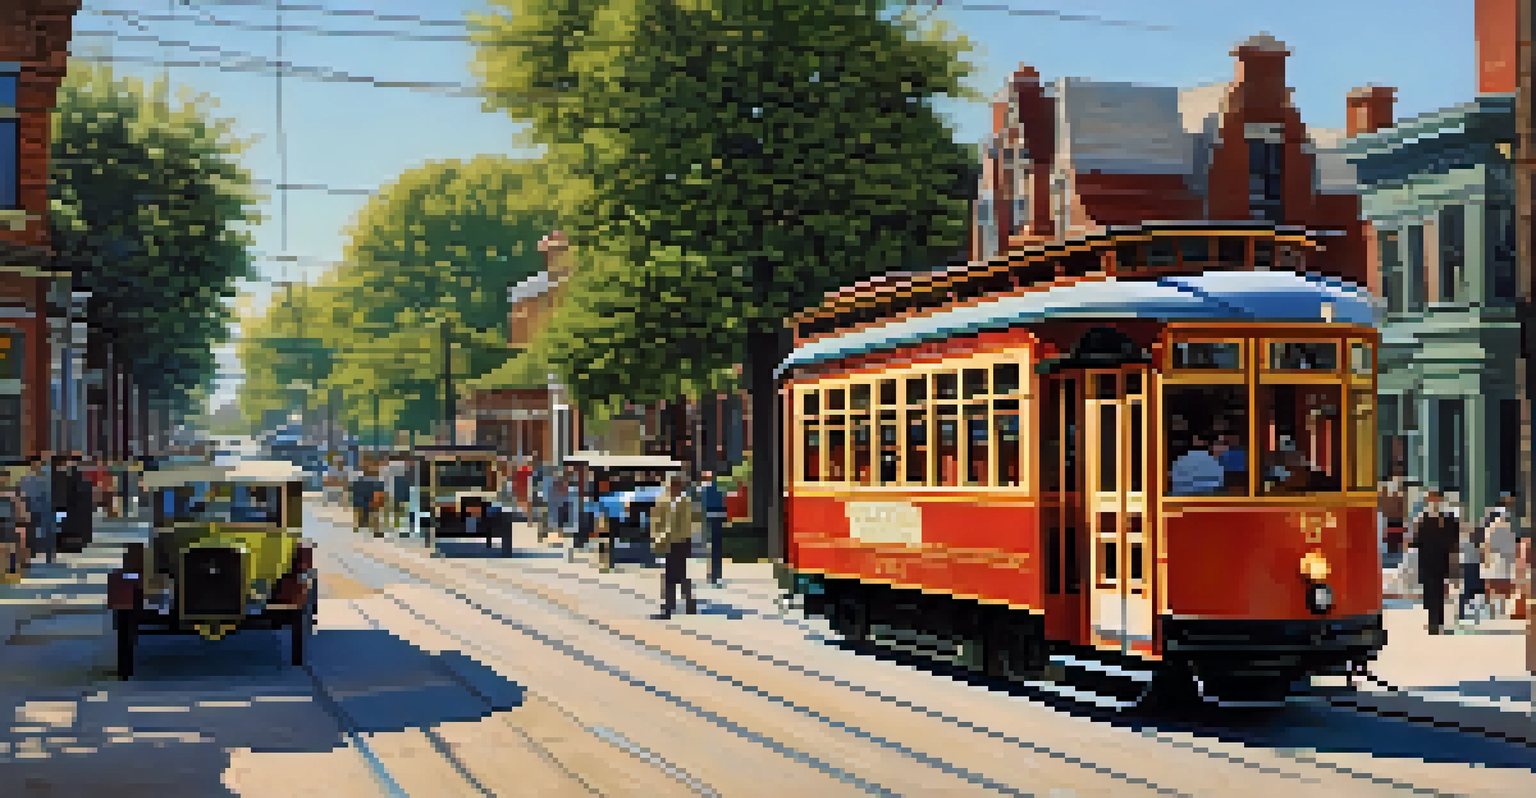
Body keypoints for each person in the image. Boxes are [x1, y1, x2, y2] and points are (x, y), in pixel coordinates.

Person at [650, 473, 701, 619]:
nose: (674, 487)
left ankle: (678, 605)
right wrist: (656, 538)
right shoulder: (662, 500)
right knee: (671, 575)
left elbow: (688, 521)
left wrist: (670, 534)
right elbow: (656, 521)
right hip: (667, 542)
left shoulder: (685, 501)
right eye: (672, 484)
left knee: (677, 574)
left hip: (681, 541)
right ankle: (675, 605)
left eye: (676, 484)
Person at [1412, 489, 1460, 635]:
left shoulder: (1447, 518)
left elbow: (1453, 539)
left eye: (1435, 498)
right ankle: (1433, 621)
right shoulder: (1422, 518)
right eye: (1430, 498)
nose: (1433, 501)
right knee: (1430, 592)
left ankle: (1437, 621)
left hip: (1440, 559)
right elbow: (1417, 540)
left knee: (1438, 591)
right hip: (1427, 561)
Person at [1481, 493, 1519, 619]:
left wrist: (1485, 557)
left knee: (1494, 585)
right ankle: (1501, 608)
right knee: (1503, 585)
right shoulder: (1507, 528)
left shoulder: (1493, 528)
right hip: (1504, 559)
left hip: (1496, 559)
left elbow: (1487, 544)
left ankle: (1492, 608)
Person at [1459, 500, 1488, 624]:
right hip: (1474, 566)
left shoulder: (1468, 542)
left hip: (1469, 565)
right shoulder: (1475, 543)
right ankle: (1467, 612)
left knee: (1468, 591)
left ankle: (1463, 612)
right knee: (1474, 590)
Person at [697, 471, 727, 586]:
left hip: (709, 518)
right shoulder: (719, 488)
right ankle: (717, 573)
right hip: (718, 519)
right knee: (717, 548)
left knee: (710, 548)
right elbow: (723, 503)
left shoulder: (704, 489)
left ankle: (712, 573)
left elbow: (702, 505)